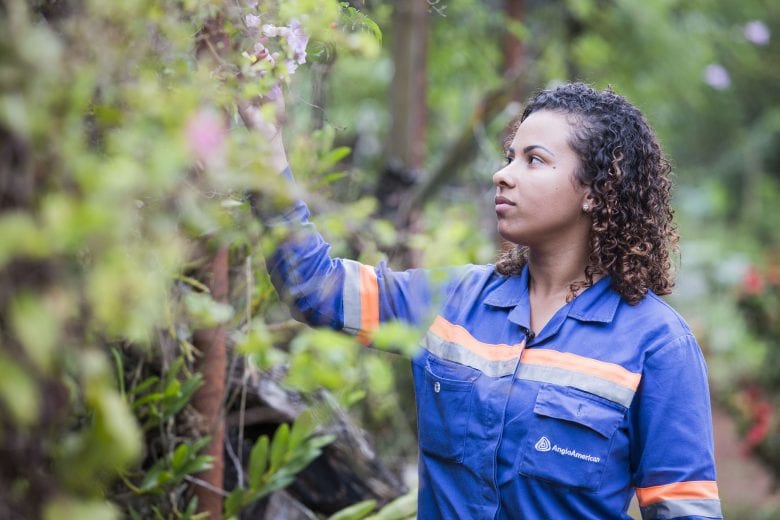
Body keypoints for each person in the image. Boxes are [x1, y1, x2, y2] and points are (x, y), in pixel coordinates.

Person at [252, 82, 722, 519]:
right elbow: (315, 289)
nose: (503, 174)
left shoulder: (658, 346)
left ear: (597, 191)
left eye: (534, 160)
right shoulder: (450, 301)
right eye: (509, 157)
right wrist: (268, 154)